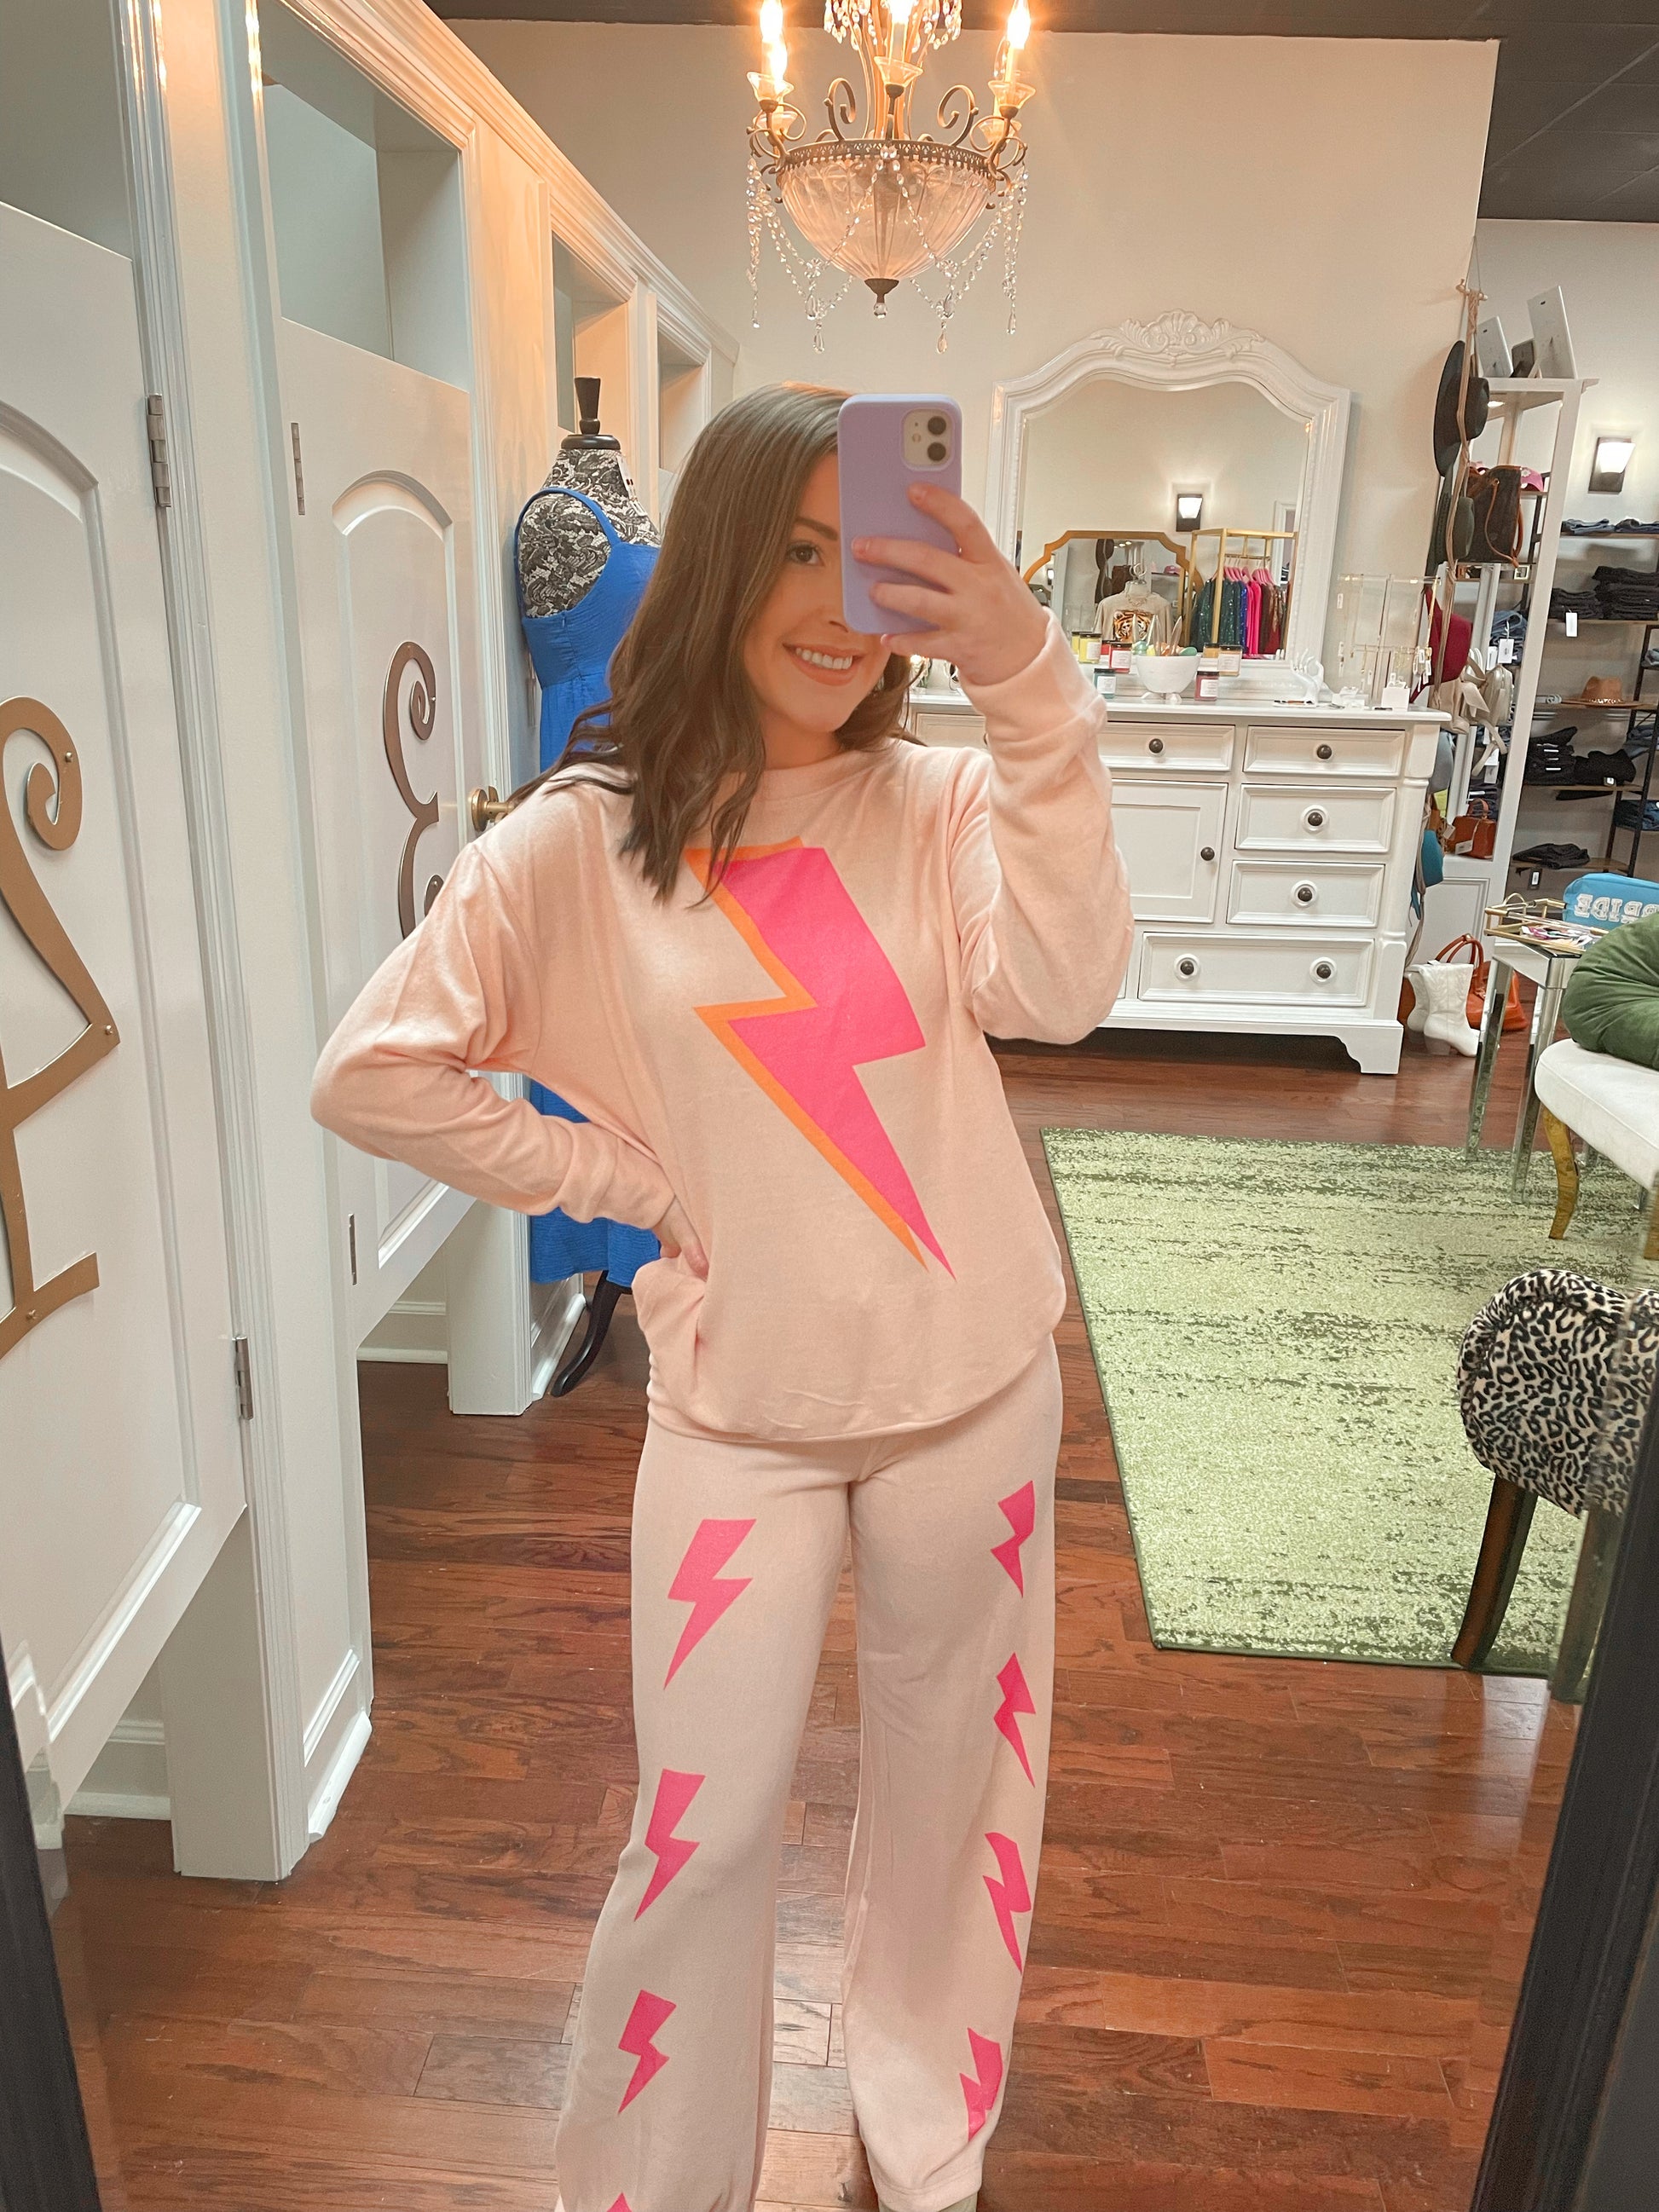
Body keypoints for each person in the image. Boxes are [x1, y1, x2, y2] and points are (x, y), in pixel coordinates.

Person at [311, 384, 1132, 2212]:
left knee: (956, 1804)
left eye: (876, 560)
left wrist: (1026, 677)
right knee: (695, 1839)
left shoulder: (939, 799)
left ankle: (923, 2141)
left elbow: (1065, 990)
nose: (840, 607)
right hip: (739, 1417)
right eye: (798, 551)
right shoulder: (575, 846)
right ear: (716, 564)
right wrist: (623, 1185)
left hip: (972, 1391)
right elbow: (372, 1072)